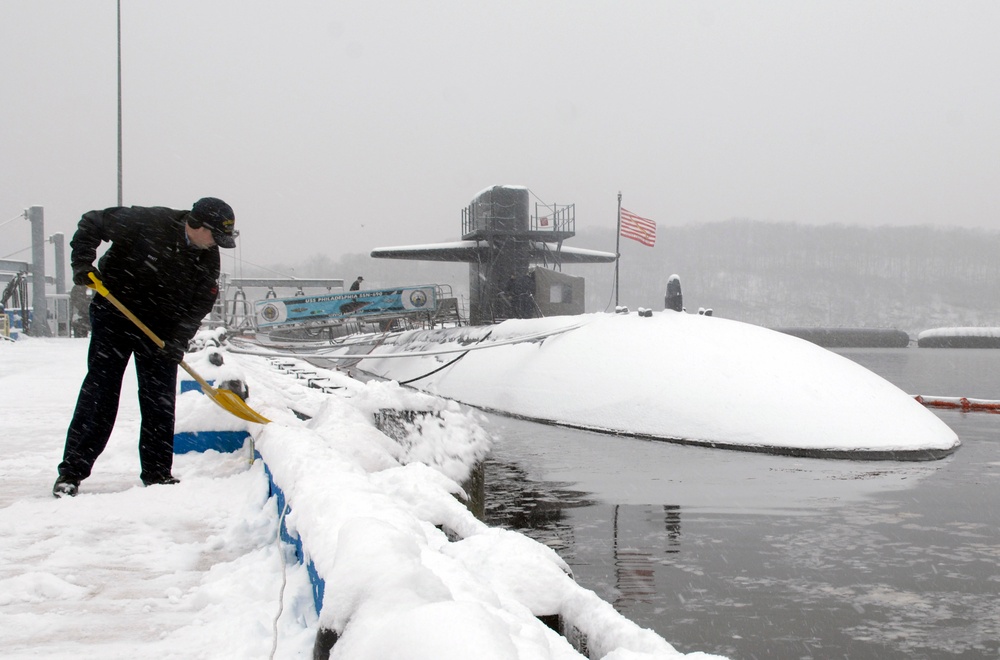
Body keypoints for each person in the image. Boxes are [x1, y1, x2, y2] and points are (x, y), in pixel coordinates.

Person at [53, 198, 237, 497]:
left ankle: (157, 474)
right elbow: (92, 222)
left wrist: (178, 340)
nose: (217, 243)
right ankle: (71, 472)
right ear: (196, 225)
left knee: (159, 401)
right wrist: (82, 263)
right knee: (100, 392)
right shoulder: (147, 222)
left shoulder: (207, 255)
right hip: (115, 314)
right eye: (215, 235)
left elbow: (201, 301)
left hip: (160, 330)